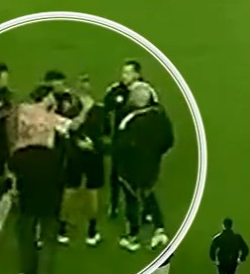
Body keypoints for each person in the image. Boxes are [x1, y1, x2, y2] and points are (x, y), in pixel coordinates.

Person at [7, 85, 92, 274]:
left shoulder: (21, 110)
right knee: (48, 232)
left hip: (24, 166)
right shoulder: (51, 118)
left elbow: (10, 131)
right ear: (45, 98)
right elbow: (73, 126)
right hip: (48, 169)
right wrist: (86, 107)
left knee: (27, 230)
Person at [115, 82, 173, 252]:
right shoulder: (160, 117)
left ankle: (132, 236)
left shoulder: (130, 121)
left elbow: (121, 146)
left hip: (131, 168)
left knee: (132, 200)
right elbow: (168, 140)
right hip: (152, 164)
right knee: (148, 193)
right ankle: (159, 229)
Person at [103, 60, 158, 218]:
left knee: (141, 177)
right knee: (115, 174)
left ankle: (146, 210)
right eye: (123, 72)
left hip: (140, 141)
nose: (124, 76)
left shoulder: (146, 91)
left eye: (128, 73)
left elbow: (155, 112)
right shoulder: (116, 89)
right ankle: (114, 205)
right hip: (120, 139)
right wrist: (107, 132)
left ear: (137, 74)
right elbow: (106, 108)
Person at [57, 75, 106, 247]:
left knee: (73, 189)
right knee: (88, 191)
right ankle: (91, 231)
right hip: (89, 154)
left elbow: (70, 128)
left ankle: (63, 229)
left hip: (79, 153)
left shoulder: (71, 108)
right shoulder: (96, 109)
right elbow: (104, 134)